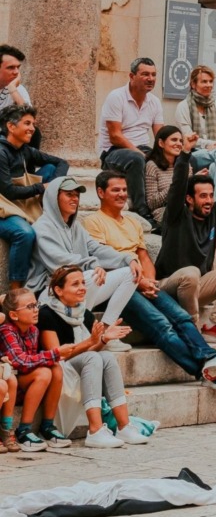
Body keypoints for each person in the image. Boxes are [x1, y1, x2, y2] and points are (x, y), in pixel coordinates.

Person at [82, 170, 216, 385]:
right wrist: (140, 284)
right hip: (118, 288)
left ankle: (210, 357)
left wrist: (149, 282)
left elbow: (143, 256)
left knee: (181, 316)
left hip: (142, 283)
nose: (122, 194)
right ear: (101, 192)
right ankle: (201, 371)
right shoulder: (93, 222)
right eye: (115, 190)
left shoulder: (132, 222)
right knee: (162, 325)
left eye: (124, 190)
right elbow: (104, 260)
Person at [37, 265, 148, 447]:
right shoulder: (46, 313)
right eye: (75, 284)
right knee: (94, 357)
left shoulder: (84, 314)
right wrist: (92, 342)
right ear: (58, 290)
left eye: (83, 282)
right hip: (56, 368)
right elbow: (56, 354)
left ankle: (124, 426)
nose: (82, 287)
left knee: (107, 357)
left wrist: (104, 339)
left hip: (79, 364)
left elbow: (91, 349)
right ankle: (95, 430)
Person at [154, 145, 216, 344]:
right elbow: (177, 186)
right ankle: (191, 329)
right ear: (189, 199)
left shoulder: (213, 214)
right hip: (169, 286)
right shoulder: (176, 215)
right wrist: (185, 154)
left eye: (210, 195)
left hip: (196, 287)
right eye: (203, 196)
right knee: (191, 272)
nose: (209, 200)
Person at [29, 177, 137, 334]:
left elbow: (96, 248)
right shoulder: (42, 227)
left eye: (76, 195)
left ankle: (106, 330)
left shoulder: (75, 226)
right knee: (90, 276)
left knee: (131, 272)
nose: (75, 199)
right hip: (50, 292)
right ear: (54, 197)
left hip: (73, 290)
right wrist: (93, 264)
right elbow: (61, 264)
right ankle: (83, 331)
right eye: (69, 194)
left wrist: (128, 259)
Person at [97, 56, 164, 226]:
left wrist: (172, 150)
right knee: (137, 159)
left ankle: (163, 209)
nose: (151, 79)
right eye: (145, 74)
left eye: (154, 75)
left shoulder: (154, 102)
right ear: (132, 76)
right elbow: (115, 136)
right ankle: (141, 210)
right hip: (113, 151)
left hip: (142, 148)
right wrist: (141, 154)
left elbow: (161, 136)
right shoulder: (116, 97)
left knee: (171, 159)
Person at [0, 287, 69, 449]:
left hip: (22, 384)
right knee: (44, 373)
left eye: (36, 304)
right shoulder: (6, 330)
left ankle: (47, 425)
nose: (36, 310)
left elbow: (29, 364)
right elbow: (20, 362)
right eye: (30, 307)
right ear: (14, 315)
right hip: (11, 387)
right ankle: (23, 430)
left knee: (55, 369)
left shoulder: (33, 330)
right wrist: (56, 353)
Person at [0, 104, 56, 287]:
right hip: (4, 207)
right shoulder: (1, 151)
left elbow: (60, 162)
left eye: (33, 123)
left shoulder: (25, 150)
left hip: (20, 202)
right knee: (24, 233)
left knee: (51, 169)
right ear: (10, 126)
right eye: (27, 123)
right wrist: (41, 188)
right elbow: (9, 191)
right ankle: (16, 289)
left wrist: (52, 186)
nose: (32, 128)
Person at [174, 65, 216, 198]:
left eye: (210, 81)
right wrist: (209, 145)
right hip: (193, 154)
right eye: (204, 81)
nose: (208, 85)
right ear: (193, 84)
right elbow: (188, 138)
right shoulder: (183, 107)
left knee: (214, 167)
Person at [143, 125, 193, 225]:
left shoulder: (184, 165)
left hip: (186, 208)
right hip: (164, 212)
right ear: (161, 143)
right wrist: (178, 182)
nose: (178, 144)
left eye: (180, 141)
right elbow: (152, 203)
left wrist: (195, 180)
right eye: (174, 140)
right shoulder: (152, 166)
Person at [0, 43, 32, 115]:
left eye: (18, 67)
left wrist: (12, 89)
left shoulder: (18, 89)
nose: (16, 72)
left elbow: (28, 120)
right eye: (11, 67)